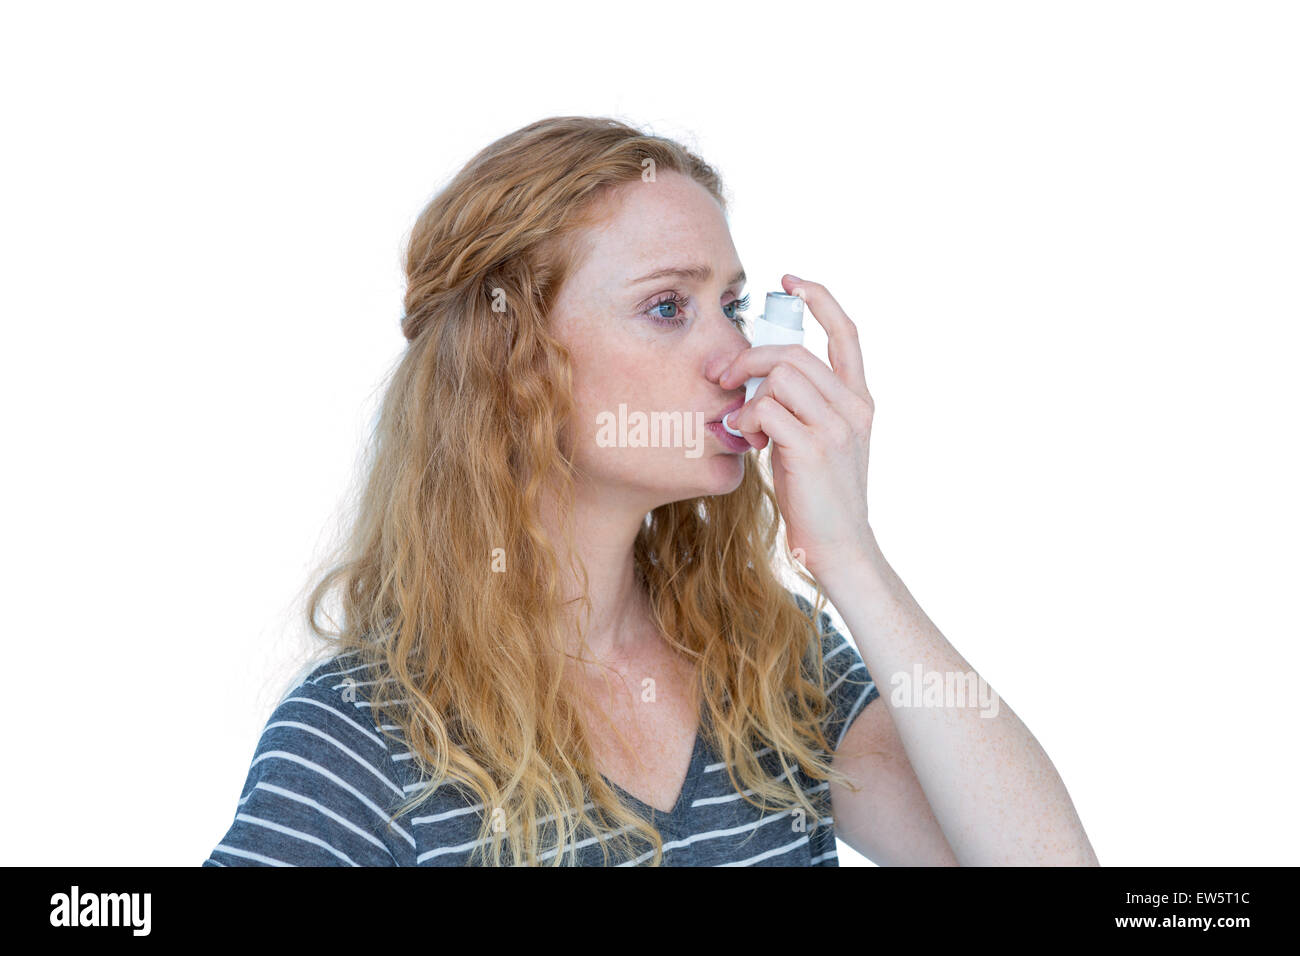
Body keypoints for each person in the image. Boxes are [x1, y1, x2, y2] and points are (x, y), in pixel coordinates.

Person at [203, 115, 1097, 867]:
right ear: (513, 364)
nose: (737, 360)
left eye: (732, 306)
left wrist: (849, 557)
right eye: (669, 307)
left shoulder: (776, 666)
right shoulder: (361, 738)